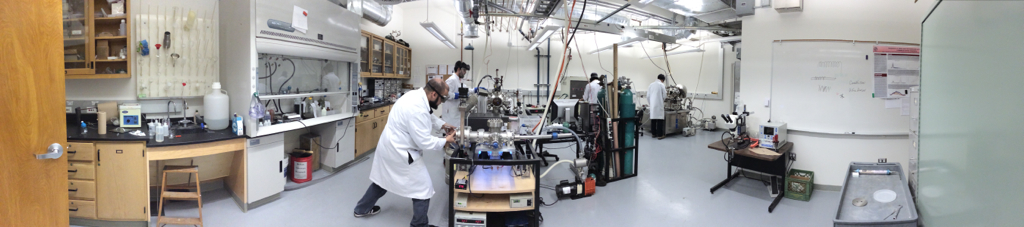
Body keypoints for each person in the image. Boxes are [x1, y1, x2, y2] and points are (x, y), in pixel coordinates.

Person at [354, 79, 457, 227]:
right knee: (423, 187)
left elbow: (428, 115)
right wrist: (446, 140)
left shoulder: (417, 95)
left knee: (382, 180)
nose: (443, 102)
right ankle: (419, 224)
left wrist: (443, 125)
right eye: (443, 98)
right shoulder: (416, 108)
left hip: (389, 146)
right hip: (400, 151)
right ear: (434, 94)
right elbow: (424, 142)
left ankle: (361, 209)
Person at [442, 61, 470, 127]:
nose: (465, 72)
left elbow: (464, 89)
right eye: (464, 70)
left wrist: (475, 90)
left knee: (456, 132)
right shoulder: (452, 80)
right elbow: (445, 93)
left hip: (455, 112)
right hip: (450, 113)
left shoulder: (457, 80)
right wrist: (455, 96)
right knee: (451, 132)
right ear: (458, 69)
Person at [648, 74, 667, 139]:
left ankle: (653, 134)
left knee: (653, 119)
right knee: (659, 120)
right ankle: (660, 135)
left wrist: (651, 103)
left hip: (652, 104)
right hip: (659, 104)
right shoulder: (661, 85)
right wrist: (662, 100)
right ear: (662, 80)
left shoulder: (651, 85)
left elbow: (648, 96)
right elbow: (664, 95)